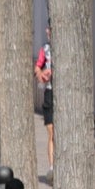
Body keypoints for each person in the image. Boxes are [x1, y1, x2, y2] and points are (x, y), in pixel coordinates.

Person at [37, 25, 54, 176]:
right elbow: (37, 69)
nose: (47, 31)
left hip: (62, 94)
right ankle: (52, 167)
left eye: (50, 28)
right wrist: (42, 74)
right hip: (49, 93)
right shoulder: (45, 49)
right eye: (47, 28)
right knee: (51, 132)